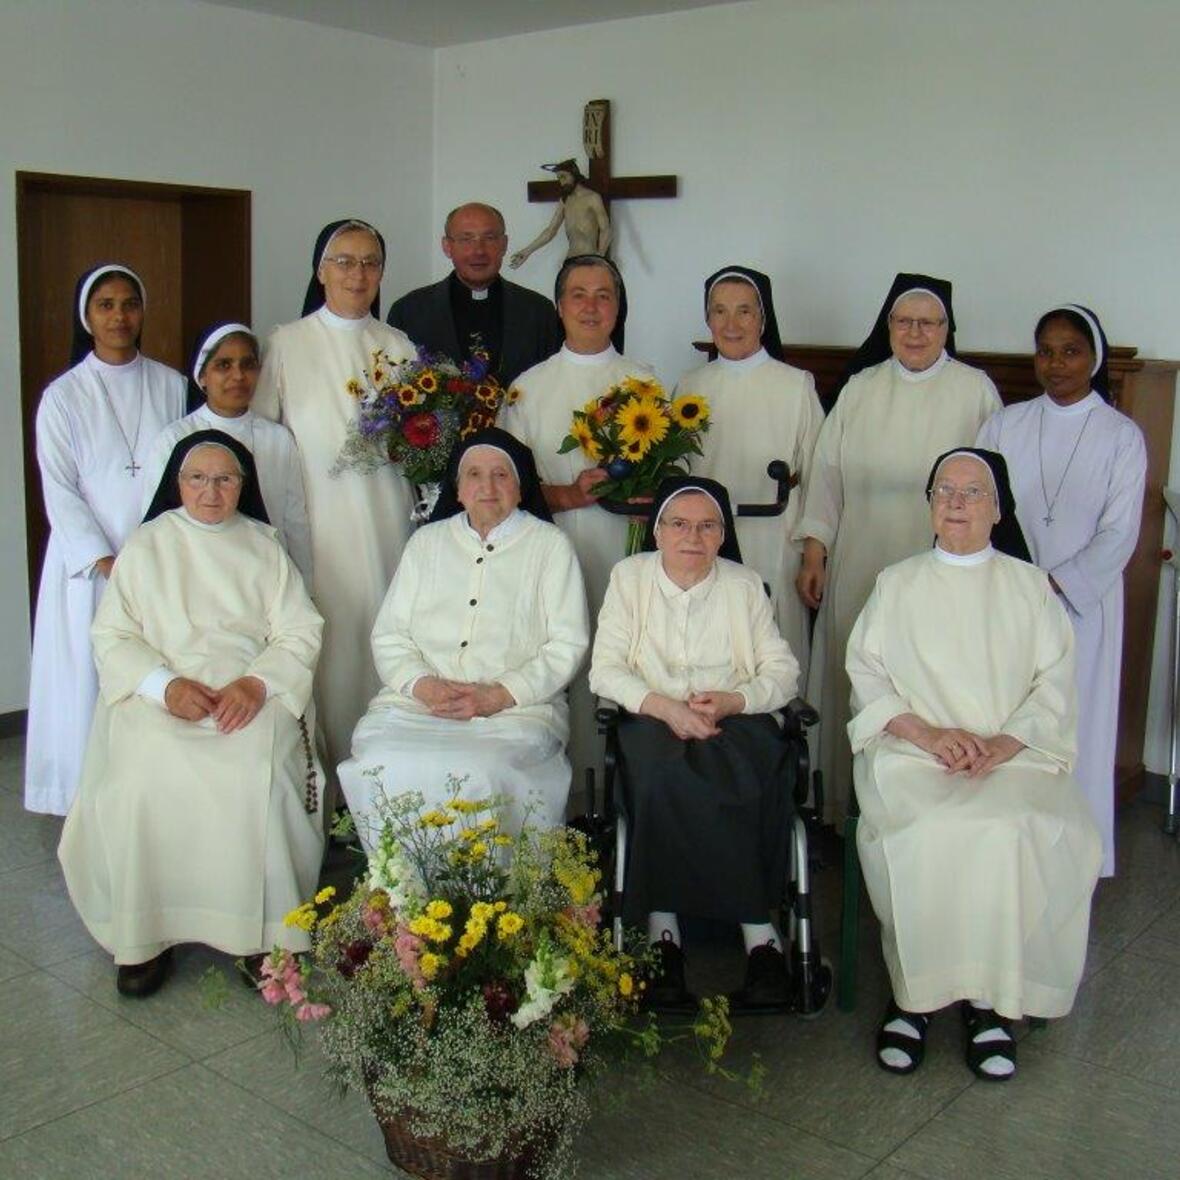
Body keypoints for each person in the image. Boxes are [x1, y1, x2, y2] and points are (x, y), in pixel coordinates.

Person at [847, 448, 1101, 1081]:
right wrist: (929, 736)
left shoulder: (1028, 585)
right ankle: (915, 999)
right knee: (930, 831)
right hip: (913, 756)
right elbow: (867, 676)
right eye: (945, 491)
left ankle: (993, 1002)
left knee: (1010, 829)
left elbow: (1054, 686)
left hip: (1012, 760)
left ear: (998, 508)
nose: (957, 503)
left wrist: (1005, 743)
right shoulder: (896, 582)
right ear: (930, 503)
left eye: (973, 492)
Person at [59, 432, 325, 998]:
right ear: (176, 485)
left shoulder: (264, 545)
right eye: (197, 478)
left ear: (242, 487)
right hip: (164, 698)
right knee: (142, 774)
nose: (211, 491)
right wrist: (164, 685)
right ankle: (144, 938)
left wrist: (256, 683)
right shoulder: (147, 544)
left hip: (245, 692)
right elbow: (112, 634)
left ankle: (263, 938)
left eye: (225, 479)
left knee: (260, 763)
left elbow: (301, 629)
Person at [793, 273, 1001, 823]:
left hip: (938, 564)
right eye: (903, 321)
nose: (915, 332)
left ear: (946, 329)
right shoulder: (861, 389)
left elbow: (992, 484)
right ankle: (841, 804)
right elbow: (826, 477)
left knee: (924, 676)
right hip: (860, 554)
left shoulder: (974, 389)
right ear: (887, 327)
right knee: (855, 670)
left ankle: (923, 806)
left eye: (927, 323)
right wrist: (815, 550)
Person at [590, 477, 800, 1009]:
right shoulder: (628, 578)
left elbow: (783, 672)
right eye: (678, 524)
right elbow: (606, 669)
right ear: (656, 531)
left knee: (748, 776)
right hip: (652, 714)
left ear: (722, 535)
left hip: (734, 715)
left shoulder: (745, 584)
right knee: (661, 776)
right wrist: (665, 708)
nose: (692, 536)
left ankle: (760, 936)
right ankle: (664, 935)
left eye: (707, 526)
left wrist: (735, 699)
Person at [339, 428, 588, 844]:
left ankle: (497, 899)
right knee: (380, 760)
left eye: (500, 475)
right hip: (418, 705)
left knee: (485, 767)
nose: (487, 487)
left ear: (521, 487)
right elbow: (390, 635)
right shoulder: (425, 543)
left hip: (514, 711)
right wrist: (424, 685)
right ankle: (401, 893)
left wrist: (498, 695)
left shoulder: (550, 546)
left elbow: (567, 644)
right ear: (458, 489)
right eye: (474, 474)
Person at [977, 305, 1146, 877]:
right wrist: (1001, 578)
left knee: (1078, 722)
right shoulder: (1006, 424)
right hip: (1007, 599)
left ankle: (1077, 855)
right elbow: (979, 499)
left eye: (1070, 351)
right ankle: (1013, 846)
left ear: (1094, 357)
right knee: (1007, 715)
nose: (1056, 363)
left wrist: (1057, 581)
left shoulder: (1121, 436)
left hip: (1082, 605)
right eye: (1046, 351)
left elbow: (1120, 531)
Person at [254, 218, 418, 771]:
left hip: (390, 521)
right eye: (344, 261)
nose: (358, 273)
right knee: (333, 649)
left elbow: (422, 444)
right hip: (319, 530)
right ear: (320, 270)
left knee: (386, 639)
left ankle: (385, 774)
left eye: (370, 262)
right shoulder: (286, 343)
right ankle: (329, 784)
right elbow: (259, 441)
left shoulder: (396, 345)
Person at [25, 264, 185, 816]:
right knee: (88, 683)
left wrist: (159, 553)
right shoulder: (63, 396)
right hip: (93, 567)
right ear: (86, 317)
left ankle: (147, 795)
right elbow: (60, 488)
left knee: (157, 673)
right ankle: (85, 800)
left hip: (157, 560)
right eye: (105, 305)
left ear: (143, 311)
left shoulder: (171, 384)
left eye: (129, 304)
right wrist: (106, 560)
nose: (119, 316)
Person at [500, 254, 651, 793]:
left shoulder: (645, 384)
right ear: (559, 306)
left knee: (622, 661)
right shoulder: (527, 389)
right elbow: (503, 488)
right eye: (578, 295)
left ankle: (618, 794)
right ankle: (562, 799)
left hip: (626, 552)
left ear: (619, 307)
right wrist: (571, 493)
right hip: (550, 552)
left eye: (604, 294)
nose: (591, 306)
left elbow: (670, 487)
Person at [674, 266, 823, 670]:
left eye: (744, 311)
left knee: (773, 658)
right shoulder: (689, 386)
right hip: (703, 542)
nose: (731, 324)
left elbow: (820, 477)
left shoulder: (796, 385)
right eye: (719, 312)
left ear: (762, 318)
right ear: (707, 320)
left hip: (775, 540)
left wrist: (813, 556)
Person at [141, 322, 313, 584]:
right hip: (193, 578)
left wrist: (305, 586)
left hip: (263, 577)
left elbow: (295, 522)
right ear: (202, 376)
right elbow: (156, 525)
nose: (238, 376)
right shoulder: (174, 439)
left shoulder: (278, 438)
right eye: (224, 365)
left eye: (248, 365)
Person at [386, 203, 562, 389]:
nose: (479, 250)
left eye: (490, 238)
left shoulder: (539, 312)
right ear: (447, 247)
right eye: (466, 239)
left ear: (504, 245)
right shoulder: (409, 312)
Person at [509, 159, 611, 270]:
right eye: (559, 178)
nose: (562, 182)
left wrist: (600, 257)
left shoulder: (592, 198)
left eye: (563, 176)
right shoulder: (565, 201)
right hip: (569, 260)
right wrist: (527, 251)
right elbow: (550, 231)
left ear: (574, 174)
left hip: (589, 259)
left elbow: (606, 229)